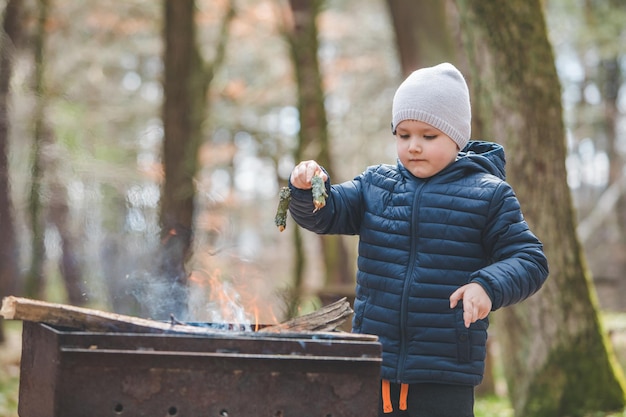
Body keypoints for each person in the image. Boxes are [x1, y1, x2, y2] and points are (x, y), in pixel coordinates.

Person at [287, 63, 549, 417]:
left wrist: (487, 286)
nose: (413, 146)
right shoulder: (376, 185)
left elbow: (530, 259)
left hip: (444, 370)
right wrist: (306, 189)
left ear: (456, 137)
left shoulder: (488, 195)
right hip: (375, 362)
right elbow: (327, 212)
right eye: (403, 134)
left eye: (428, 136)